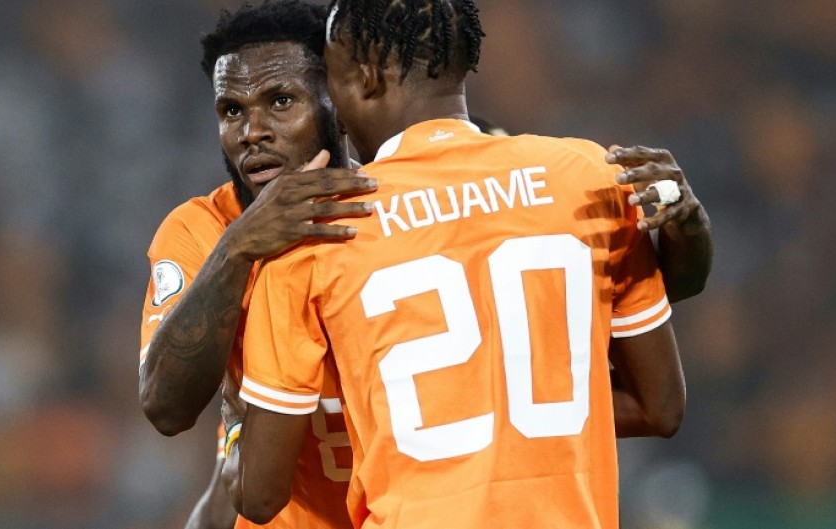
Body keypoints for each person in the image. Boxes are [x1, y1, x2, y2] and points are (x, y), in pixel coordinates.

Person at [225, 1, 687, 528]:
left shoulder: (314, 232)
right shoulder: (590, 178)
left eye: (331, 80)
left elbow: (258, 496)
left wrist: (234, 409)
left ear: (368, 77)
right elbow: (661, 407)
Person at [138, 3, 371, 528]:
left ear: (336, 99)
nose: (252, 132)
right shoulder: (201, 230)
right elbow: (165, 407)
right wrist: (237, 248)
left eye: (281, 101)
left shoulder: (395, 203)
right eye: (232, 111)